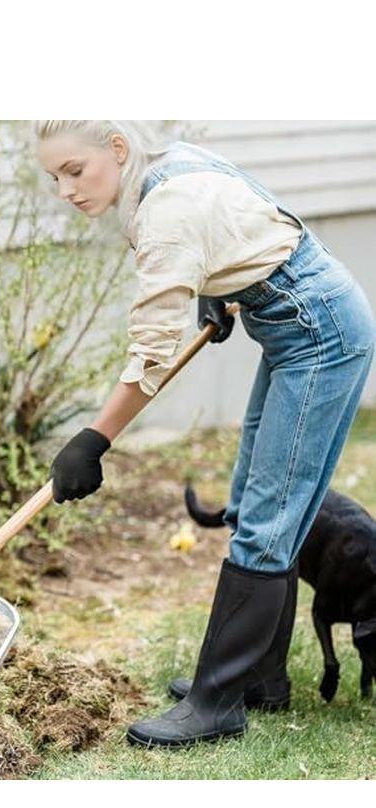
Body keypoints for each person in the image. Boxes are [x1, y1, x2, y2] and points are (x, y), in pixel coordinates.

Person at [36, 120, 376, 749]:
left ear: (117, 148)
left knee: (269, 514)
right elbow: (250, 215)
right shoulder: (166, 166)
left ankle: (216, 702)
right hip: (295, 329)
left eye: (74, 171)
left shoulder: (164, 212)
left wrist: (93, 439)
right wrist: (217, 285)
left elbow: (152, 355)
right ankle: (260, 679)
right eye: (54, 177)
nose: (66, 190)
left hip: (321, 336)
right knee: (251, 500)